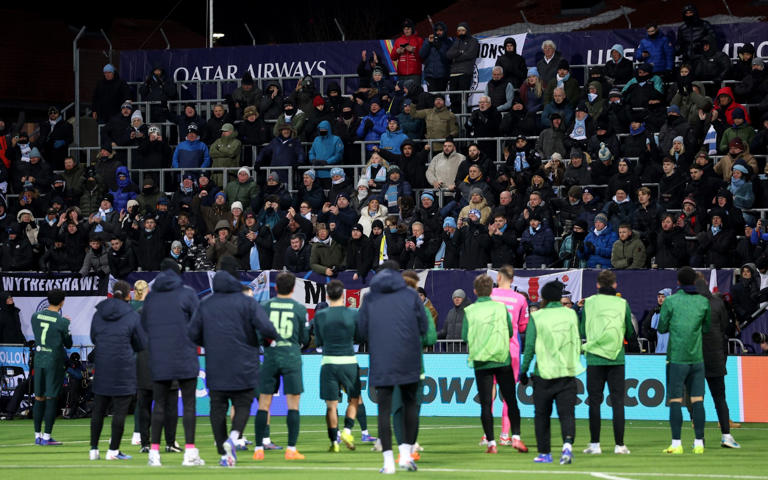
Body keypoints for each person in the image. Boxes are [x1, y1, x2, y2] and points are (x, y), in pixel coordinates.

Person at [188, 256, 278, 467]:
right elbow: (267, 328)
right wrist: (268, 338)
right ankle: (235, 436)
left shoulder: (206, 303)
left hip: (216, 364)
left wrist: (209, 342)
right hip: (244, 363)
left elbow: (191, 334)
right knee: (243, 402)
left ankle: (223, 451)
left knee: (217, 408)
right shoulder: (247, 302)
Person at [358, 261, 428, 473]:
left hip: (382, 359)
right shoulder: (410, 296)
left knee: (384, 410)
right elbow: (423, 328)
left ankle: (388, 463)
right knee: (409, 406)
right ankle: (405, 456)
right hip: (409, 358)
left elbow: (361, 331)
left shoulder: (369, 297)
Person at [141, 259, 203, 467]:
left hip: (159, 356)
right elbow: (198, 323)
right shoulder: (187, 293)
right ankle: (189, 453)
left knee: (158, 404)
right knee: (188, 405)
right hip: (184, 354)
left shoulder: (150, 298)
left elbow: (144, 326)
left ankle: (154, 454)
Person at [519, 280, 583, 465]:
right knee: (567, 414)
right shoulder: (571, 315)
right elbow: (576, 340)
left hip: (544, 374)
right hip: (566, 372)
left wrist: (523, 371)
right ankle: (568, 446)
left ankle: (545, 453)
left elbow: (530, 347)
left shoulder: (537, 317)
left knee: (541, 415)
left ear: (544, 298)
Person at [254, 272, 310, 461]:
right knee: (293, 405)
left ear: (275, 288)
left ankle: (258, 449)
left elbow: (260, 335)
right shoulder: (299, 309)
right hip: (291, 357)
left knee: (264, 404)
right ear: (293, 289)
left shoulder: (265, 306)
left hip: (270, 358)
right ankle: (291, 449)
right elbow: (304, 338)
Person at [580, 270, 636, 456]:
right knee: (618, 402)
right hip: (616, 357)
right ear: (614, 285)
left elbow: (582, 329)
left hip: (595, 357)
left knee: (594, 402)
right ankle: (619, 445)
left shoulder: (588, 303)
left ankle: (595, 444)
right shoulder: (622, 304)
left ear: (597, 285)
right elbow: (629, 330)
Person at [89, 281, 145, 461]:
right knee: (119, 411)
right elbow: (140, 343)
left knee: (99, 410)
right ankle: (113, 450)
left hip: (103, 365)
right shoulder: (132, 315)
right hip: (123, 367)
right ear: (129, 295)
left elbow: (93, 337)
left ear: (113, 293)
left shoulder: (99, 314)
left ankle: (93, 450)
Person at [464, 272, 521, 453]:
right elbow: (511, 332)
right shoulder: (500, 308)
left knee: (486, 403)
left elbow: (465, 335)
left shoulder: (469, 310)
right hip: (501, 358)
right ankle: (516, 437)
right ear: (491, 291)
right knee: (511, 400)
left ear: (475, 291)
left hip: (482, 361)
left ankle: (491, 443)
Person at [658, 266, 710, 455]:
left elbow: (662, 328)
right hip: (697, 358)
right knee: (697, 400)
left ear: (678, 282)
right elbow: (706, 328)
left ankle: (676, 443)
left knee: (675, 401)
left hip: (677, 358)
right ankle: (698, 444)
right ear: (694, 281)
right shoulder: (703, 302)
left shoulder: (670, 302)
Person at [313, 280, 362, 452]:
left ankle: (334, 441)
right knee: (354, 399)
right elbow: (360, 337)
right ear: (343, 295)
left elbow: (318, 342)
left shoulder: (320, 315)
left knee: (331, 405)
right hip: (349, 362)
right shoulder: (354, 314)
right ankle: (348, 430)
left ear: (327, 296)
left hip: (328, 363)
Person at [693, 274, 740, 449]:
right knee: (720, 398)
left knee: (698, 399)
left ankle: (699, 439)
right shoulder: (718, 302)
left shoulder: (691, 304)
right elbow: (724, 328)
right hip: (715, 355)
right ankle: (726, 436)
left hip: (696, 356)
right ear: (705, 283)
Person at [490, 265, 529, 451]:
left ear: (498, 277)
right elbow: (523, 327)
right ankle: (505, 435)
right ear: (513, 280)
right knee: (508, 393)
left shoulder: (488, 296)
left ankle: (486, 435)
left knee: (489, 389)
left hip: (490, 348)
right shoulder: (520, 298)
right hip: (511, 349)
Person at [31, 289, 71, 446]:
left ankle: (37, 435)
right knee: (51, 397)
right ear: (62, 302)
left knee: (38, 397)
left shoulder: (35, 316)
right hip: (54, 361)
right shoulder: (62, 321)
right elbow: (68, 343)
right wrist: (67, 327)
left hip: (39, 359)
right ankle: (47, 437)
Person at [446, 22, 480, 114]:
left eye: (462, 30)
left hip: (465, 73)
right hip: (453, 74)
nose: (460, 32)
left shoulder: (473, 41)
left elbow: (470, 55)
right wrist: (460, 52)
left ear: (467, 31)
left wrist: (455, 58)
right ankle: (455, 120)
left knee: (462, 99)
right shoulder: (456, 41)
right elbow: (448, 55)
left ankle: (463, 121)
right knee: (453, 99)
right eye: (459, 31)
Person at [420, 21, 453, 92]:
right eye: (437, 30)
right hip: (430, 75)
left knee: (441, 97)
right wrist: (428, 43)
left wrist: (439, 47)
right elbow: (421, 54)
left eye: (441, 30)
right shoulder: (428, 40)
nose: (438, 32)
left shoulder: (448, 42)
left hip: (443, 75)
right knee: (431, 97)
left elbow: (448, 58)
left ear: (444, 31)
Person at [390, 19, 424, 86]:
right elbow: (392, 57)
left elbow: (422, 57)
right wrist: (397, 52)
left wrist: (414, 51)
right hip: (402, 75)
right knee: (402, 95)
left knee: (415, 94)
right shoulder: (398, 40)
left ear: (412, 29)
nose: (406, 30)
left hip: (415, 74)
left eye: (408, 28)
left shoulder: (419, 40)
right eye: (404, 29)